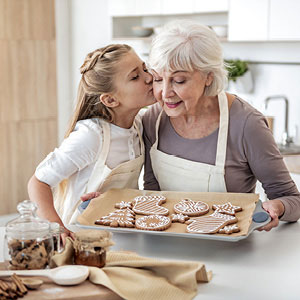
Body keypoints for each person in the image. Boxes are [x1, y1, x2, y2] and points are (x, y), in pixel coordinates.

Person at [141, 20, 300, 231]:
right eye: (158, 79)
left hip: (231, 250)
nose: (165, 92)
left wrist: (277, 207)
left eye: (179, 81)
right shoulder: (153, 119)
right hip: (166, 243)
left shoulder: (247, 125)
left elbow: (292, 199)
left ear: (208, 76)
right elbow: (152, 193)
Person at [28, 44, 155, 235]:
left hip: (121, 233)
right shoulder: (91, 136)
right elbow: (38, 183)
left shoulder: (139, 125)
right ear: (110, 100)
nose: (149, 77)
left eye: (145, 68)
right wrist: (58, 229)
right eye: (135, 77)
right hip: (81, 237)